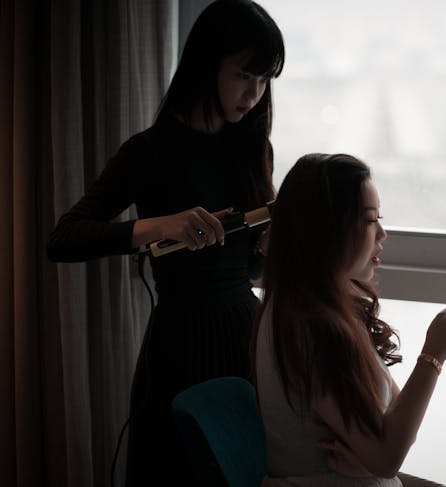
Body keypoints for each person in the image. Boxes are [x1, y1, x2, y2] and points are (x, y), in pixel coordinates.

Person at [46, 1, 284, 484]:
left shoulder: (253, 149)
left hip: (245, 338)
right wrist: (158, 226)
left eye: (265, 81)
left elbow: (249, 273)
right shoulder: (148, 152)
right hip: (179, 343)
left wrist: (267, 250)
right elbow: (64, 238)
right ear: (206, 65)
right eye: (244, 76)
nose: (254, 95)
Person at [255, 153, 446, 486]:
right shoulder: (311, 326)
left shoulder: (319, 307)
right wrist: (434, 354)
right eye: (369, 220)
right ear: (326, 229)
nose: (383, 233)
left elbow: (390, 421)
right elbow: (388, 455)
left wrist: (371, 461)